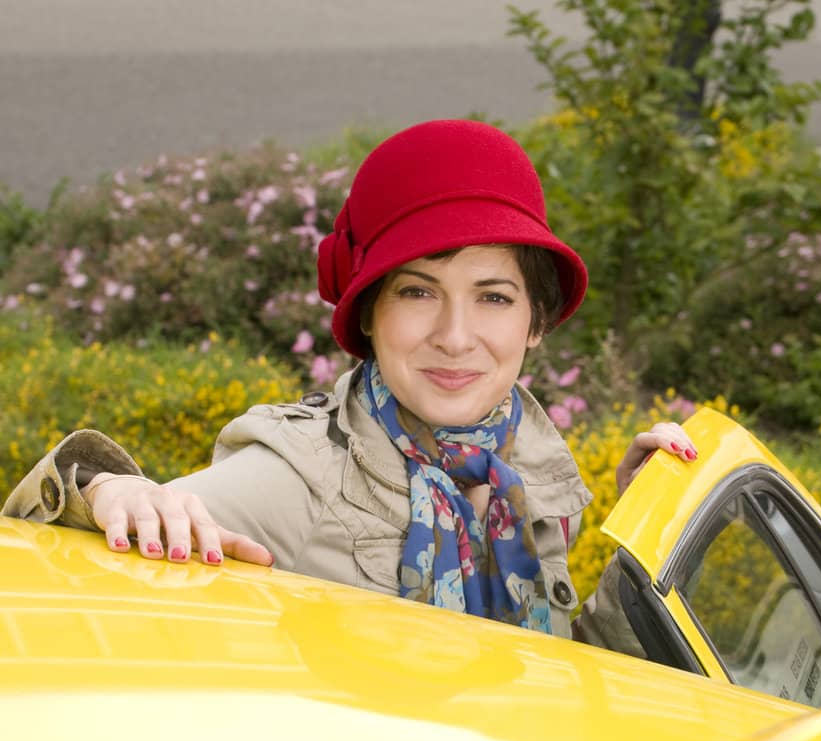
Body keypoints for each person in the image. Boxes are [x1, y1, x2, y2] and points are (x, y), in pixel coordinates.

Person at [2, 120, 694, 655]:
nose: (455, 336)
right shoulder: (299, 477)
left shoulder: (523, 464)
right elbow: (48, 583)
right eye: (418, 291)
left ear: (535, 322)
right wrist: (102, 492)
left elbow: (567, 686)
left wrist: (647, 545)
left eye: (492, 298)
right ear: (369, 312)